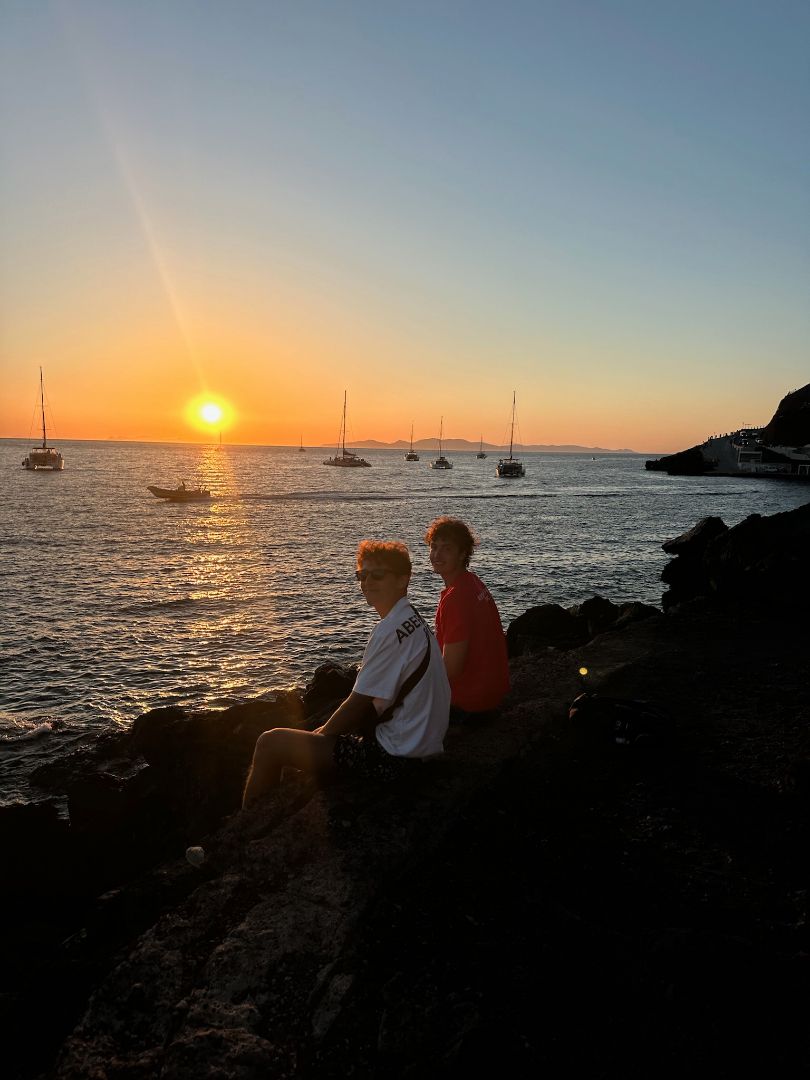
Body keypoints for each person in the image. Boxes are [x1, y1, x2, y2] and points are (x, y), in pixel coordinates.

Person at [241, 540, 450, 809]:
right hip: (421, 749)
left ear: (402, 580)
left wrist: (322, 736)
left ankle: (243, 831)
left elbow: (356, 705)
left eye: (377, 575)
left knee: (270, 743)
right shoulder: (412, 619)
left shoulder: (389, 631)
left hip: (395, 759)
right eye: (361, 575)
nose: (366, 582)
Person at [424, 516, 509, 723]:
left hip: (468, 702)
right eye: (434, 547)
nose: (436, 554)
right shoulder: (473, 583)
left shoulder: (456, 598)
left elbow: (451, 669)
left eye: (446, 549)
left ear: (463, 554)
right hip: (492, 693)